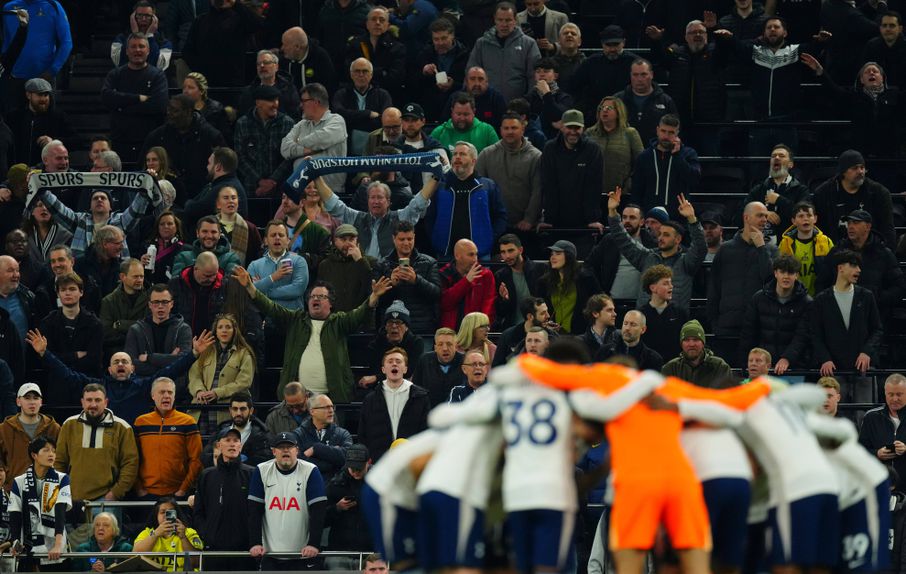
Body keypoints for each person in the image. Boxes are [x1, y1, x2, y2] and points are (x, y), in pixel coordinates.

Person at [233, 266, 392, 403]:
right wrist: (250, 287)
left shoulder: (339, 322)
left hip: (332, 399)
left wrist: (374, 296)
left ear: (330, 303)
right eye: (312, 296)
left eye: (321, 297)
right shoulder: (295, 319)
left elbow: (360, 313)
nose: (315, 299)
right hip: (298, 399)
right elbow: (271, 307)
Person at [606, 187, 705, 311]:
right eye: (661, 234)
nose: (660, 238)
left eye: (666, 235)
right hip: (644, 321)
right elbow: (623, 239)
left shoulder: (686, 262)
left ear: (678, 239)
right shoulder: (647, 257)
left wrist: (692, 218)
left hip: (674, 321)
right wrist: (612, 211)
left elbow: (701, 246)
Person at [316, 167, 439, 260]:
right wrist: (316, 177)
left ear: (388, 201)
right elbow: (334, 204)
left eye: (380, 197)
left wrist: (436, 177)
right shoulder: (356, 217)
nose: (375, 201)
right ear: (368, 200)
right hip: (360, 272)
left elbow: (418, 204)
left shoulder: (399, 218)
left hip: (389, 275)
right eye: (372, 198)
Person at [248, 431, 328, 570]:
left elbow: (318, 511)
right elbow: (254, 511)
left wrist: (314, 544)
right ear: (273, 451)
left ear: (297, 450)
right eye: (281, 447)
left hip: (302, 554)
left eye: (289, 447)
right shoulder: (262, 470)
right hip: (270, 554)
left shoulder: (310, 471)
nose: (285, 450)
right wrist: (255, 543)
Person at [36, 171, 163, 259]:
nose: (99, 200)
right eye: (95, 198)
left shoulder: (120, 221)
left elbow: (136, 209)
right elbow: (58, 209)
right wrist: (40, 187)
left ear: (111, 206)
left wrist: (147, 182)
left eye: (103, 198)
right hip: (84, 274)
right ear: (90, 206)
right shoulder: (80, 220)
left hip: (116, 273)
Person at [54, 383, 138, 515]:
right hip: (73, 500)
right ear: (82, 402)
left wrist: (115, 494)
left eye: (98, 400)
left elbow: (130, 464)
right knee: (71, 536)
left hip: (107, 501)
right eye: (89, 400)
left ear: (106, 402)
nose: (93, 404)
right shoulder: (69, 424)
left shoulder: (122, 427)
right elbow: (59, 462)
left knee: (108, 536)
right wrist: (63, 492)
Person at [811, 249, 883, 403]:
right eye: (853, 265)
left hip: (864, 369)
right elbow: (815, 334)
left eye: (859, 266)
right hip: (834, 369)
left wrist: (866, 352)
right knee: (836, 416)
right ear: (840, 268)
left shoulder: (866, 296)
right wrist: (825, 358)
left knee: (864, 415)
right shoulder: (821, 300)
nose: (858, 270)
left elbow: (877, 329)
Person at [708, 201, 778, 343]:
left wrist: (761, 248)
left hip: (759, 327)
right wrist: (714, 324)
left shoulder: (771, 250)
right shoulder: (725, 249)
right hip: (727, 326)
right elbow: (714, 289)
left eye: (766, 216)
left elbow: (771, 280)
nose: (764, 220)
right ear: (746, 218)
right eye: (760, 216)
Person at [426, 141, 507, 259]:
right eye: (455, 154)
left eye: (462, 154)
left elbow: (501, 216)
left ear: (474, 160)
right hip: (446, 253)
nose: (457, 157)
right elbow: (430, 217)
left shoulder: (488, 186)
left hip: (480, 254)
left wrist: (489, 238)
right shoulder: (440, 187)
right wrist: (436, 239)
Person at [817, 209, 906, 315]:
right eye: (849, 223)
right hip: (840, 313)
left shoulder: (884, 253)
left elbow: (899, 287)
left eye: (856, 223)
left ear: (868, 227)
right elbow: (821, 282)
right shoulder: (837, 251)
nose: (850, 227)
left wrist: (876, 298)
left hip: (874, 315)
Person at [141, 94, 226, 202]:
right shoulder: (157, 137)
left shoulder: (210, 136)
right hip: (166, 199)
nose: (169, 114)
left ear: (189, 112)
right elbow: (142, 167)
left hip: (201, 196)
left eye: (175, 111)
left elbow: (223, 168)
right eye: (169, 110)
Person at [192, 426, 254, 570]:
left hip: (244, 549)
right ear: (219, 445)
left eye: (236, 440)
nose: (232, 444)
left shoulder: (252, 474)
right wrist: (206, 533)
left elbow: (257, 511)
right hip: (213, 548)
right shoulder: (206, 476)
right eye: (228, 440)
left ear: (241, 446)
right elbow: (199, 511)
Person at [739, 255, 812, 375]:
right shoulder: (759, 299)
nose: (786, 276)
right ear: (775, 273)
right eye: (782, 272)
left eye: (790, 272)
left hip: (794, 368)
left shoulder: (806, 303)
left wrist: (787, 358)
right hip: (763, 368)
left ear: (796, 275)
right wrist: (745, 364)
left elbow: (802, 336)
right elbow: (748, 333)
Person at [101, 33, 168, 163]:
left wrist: (121, 106)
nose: (137, 50)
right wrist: (138, 98)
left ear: (148, 51)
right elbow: (106, 98)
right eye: (133, 47)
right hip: (120, 141)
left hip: (149, 142)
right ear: (126, 51)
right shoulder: (115, 74)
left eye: (141, 46)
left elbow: (159, 106)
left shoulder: (158, 76)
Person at [8, 436, 71, 571]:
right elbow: (15, 514)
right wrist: (15, 542)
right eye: (46, 450)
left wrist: (58, 545)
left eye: (53, 451)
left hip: (53, 544)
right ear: (34, 455)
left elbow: (60, 512)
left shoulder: (62, 479)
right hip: (27, 544)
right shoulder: (19, 481)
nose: (51, 454)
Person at [134, 376, 203, 499]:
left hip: (177, 493)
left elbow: (196, 459)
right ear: (153, 395)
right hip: (147, 493)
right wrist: (139, 488)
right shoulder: (141, 422)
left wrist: (183, 489)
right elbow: (133, 458)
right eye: (162, 392)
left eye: (170, 392)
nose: (166, 396)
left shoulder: (188, 422)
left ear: (174, 396)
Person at [188, 313, 255, 435]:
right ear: (216, 331)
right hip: (202, 409)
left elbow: (244, 382)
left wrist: (217, 393)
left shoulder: (244, 353)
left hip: (227, 412)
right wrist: (199, 391)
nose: (224, 330)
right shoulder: (205, 351)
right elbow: (194, 375)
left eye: (228, 327)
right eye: (220, 327)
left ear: (234, 330)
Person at [357, 348, 430, 461]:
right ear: (383, 369)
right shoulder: (370, 400)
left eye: (398, 361)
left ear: (405, 369)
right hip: (379, 461)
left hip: (411, 460)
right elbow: (363, 433)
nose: (394, 364)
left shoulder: (420, 397)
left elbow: (425, 431)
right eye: (390, 361)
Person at [475, 113, 543, 233]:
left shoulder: (536, 157)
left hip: (525, 227)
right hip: (493, 224)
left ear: (522, 129)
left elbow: (538, 191)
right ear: (500, 130)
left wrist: (529, 219)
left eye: (514, 128)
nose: (510, 132)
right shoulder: (486, 154)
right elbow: (477, 188)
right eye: (506, 128)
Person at [540, 109, 604, 233]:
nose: (573, 132)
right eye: (569, 127)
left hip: (585, 221)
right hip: (556, 221)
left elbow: (594, 186)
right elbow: (549, 186)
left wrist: (592, 219)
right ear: (562, 127)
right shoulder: (550, 149)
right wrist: (549, 219)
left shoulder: (592, 149)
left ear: (583, 128)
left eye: (577, 128)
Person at [39, 272, 104, 394]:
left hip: (87, 386)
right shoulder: (47, 323)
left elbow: (94, 360)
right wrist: (75, 355)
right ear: (58, 294)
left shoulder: (95, 324)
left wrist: (60, 359)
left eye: (72, 289)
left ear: (81, 292)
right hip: (57, 387)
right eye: (63, 290)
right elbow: (45, 360)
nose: (67, 293)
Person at [372, 221, 440, 333]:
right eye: (402, 239)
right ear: (394, 239)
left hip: (422, 327)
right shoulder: (381, 265)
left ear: (414, 237)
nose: (406, 243)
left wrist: (416, 280)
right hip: (392, 327)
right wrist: (391, 284)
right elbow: (376, 300)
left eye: (409, 239)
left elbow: (437, 294)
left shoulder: (429, 262)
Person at [280, 83, 348, 193]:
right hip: (301, 190)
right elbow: (284, 148)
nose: (301, 105)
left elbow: (319, 139)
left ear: (316, 102)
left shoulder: (336, 121)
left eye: (303, 101)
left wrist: (297, 143)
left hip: (330, 192)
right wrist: (305, 150)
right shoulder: (302, 124)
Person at [467, 2, 541, 101]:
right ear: (494, 20)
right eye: (500, 20)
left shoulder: (529, 44)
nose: (504, 24)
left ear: (515, 20)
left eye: (508, 20)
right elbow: (471, 73)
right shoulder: (481, 43)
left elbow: (534, 76)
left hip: (518, 105)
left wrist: (529, 100)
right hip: (487, 103)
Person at [632, 113, 701, 218]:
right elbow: (637, 189)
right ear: (657, 130)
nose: (666, 136)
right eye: (663, 131)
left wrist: (677, 156)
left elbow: (694, 179)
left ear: (677, 133)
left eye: (671, 132)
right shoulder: (644, 156)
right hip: (649, 215)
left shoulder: (688, 154)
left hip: (678, 216)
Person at [235, 85, 296, 201]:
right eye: (270, 100)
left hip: (281, 190)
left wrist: (273, 181)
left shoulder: (288, 123)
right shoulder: (242, 124)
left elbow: (290, 157)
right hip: (252, 189)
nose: (275, 104)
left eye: (276, 100)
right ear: (258, 103)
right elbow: (240, 157)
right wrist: (260, 181)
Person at [584, 203, 656, 302]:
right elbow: (588, 266)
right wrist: (599, 293)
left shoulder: (651, 242)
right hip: (611, 302)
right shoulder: (609, 240)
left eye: (632, 218)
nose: (627, 221)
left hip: (641, 303)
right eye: (624, 217)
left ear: (642, 222)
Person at [182, 0, 262, 87]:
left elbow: (257, 25)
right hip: (207, 82)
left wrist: (234, 4)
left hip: (233, 82)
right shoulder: (200, 20)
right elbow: (187, 51)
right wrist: (201, 69)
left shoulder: (239, 19)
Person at [742, 144, 810, 243]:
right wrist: (763, 214)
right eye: (773, 156)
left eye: (781, 156)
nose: (776, 158)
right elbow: (741, 215)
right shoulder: (758, 189)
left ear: (790, 164)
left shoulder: (801, 190)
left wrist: (779, 200)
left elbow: (804, 217)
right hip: (760, 247)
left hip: (791, 246)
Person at [124, 283, 192, 377]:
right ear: (150, 305)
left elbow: (184, 361)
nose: (160, 306)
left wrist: (150, 358)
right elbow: (130, 363)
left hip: (174, 384)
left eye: (164, 302)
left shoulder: (183, 329)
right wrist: (170, 360)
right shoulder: (136, 329)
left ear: (171, 304)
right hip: (143, 383)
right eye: (156, 302)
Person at [0, 383, 59, 488]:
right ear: (18, 402)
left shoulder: (54, 428)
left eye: (36, 398)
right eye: (27, 398)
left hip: (47, 490)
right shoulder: (4, 429)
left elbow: (61, 458)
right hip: (13, 490)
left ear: (41, 402)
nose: (32, 402)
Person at [536, 240, 600, 335]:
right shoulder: (544, 282)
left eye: (558, 253)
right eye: (552, 254)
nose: (552, 257)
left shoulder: (586, 278)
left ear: (569, 256)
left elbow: (599, 302)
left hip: (580, 335)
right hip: (554, 335)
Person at [586, 96, 644, 201]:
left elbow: (641, 164)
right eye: (601, 108)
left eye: (609, 108)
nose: (604, 110)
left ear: (618, 112)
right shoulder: (590, 133)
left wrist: (629, 185)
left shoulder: (630, 133)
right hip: (593, 193)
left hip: (622, 194)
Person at [324, 444, 372, 569]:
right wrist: (337, 508)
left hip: (370, 552)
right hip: (340, 550)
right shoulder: (336, 484)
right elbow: (320, 520)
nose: (355, 472)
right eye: (352, 468)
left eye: (359, 469)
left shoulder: (379, 484)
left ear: (369, 462)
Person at [412, 18, 470, 122]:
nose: (440, 43)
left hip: (456, 110)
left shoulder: (465, 54)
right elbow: (411, 81)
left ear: (452, 35)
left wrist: (453, 85)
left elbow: (469, 83)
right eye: (436, 39)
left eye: (444, 38)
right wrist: (423, 72)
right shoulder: (425, 54)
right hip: (430, 111)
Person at [332, 58, 392, 157]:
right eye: (357, 71)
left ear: (371, 75)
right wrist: (367, 114)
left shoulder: (383, 95)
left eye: (365, 71)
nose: (361, 75)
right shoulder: (341, 94)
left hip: (377, 150)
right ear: (351, 74)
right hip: (347, 150)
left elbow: (385, 120)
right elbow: (339, 116)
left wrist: (352, 119)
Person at [8, 79, 75, 167]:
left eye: (46, 95)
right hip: (20, 170)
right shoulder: (15, 117)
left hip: (46, 172)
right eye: (39, 95)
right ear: (28, 95)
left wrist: (54, 141)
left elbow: (76, 141)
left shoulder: (58, 117)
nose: (43, 99)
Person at [359, 301, 426, 388]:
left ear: (406, 327)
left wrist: (377, 377)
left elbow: (410, 372)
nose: (394, 326)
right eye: (390, 322)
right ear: (385, 326)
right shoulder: (375, 345)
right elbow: (375, 370)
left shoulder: (416, 343)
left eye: (398, 322)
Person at [345, 7, 406, 101]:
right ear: (367, 24)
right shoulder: (355, 45)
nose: (377, 23)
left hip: (388, 95)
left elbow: (394, 77)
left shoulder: (397, 48)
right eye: (373, 19)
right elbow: (349, 71)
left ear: (387, 25)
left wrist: (365, 74)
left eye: (382, 20)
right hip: (358, 94)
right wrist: (381, 72)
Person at [181, 147, 249, 232]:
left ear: (218, 167)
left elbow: (192, 210)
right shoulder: (221, 184)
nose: (207, 167)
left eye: (209, 163)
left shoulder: (225, 188)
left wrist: (188, 204)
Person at [246, 220, 308, 310]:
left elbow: (297, 289)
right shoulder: (254, 266)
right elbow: (250, 291)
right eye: (273, 235)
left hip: (293, 319)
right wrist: (274, 277)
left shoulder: (299, 261)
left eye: (281, 235)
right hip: (265, 319)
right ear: (266, 241)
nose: (277, 238)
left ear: (288, 240)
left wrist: (263, 292)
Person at [613, 58, 678, 142]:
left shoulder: (666, 101)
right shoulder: (618, 100)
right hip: (624, 149)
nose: (639, 79)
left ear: (651, 74)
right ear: (630, 76)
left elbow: (675, 128)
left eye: (643, 74)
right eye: (635, 75)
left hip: (655, 150)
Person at [199, 393, 271, 468]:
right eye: (235, 409)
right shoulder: (221, 430)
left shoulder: (261, 434)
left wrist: (235, 461)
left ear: (251, 411)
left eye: (242, 409)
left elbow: (264, 462)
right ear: (230, 410)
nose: (238, 413)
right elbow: (205, 456)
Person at [133, 496, 203, 571]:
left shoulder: (189, 532)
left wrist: (183, 537)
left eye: (170, 512)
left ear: (177, 515)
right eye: (162, 512)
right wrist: (155, 534)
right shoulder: (147, 533)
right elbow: (135, 557)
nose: (166, 516)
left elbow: (196, 562)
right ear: (156, 516)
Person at [778, 201, 833, 296]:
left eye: (809, 215)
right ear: (793, 221)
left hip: (820, 295)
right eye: (801, 216)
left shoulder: (826, 242)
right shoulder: (785, 244)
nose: (806, 219)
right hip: (793, 296)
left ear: (815, 219)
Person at [439, 239, 496, 329]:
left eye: (476, 254)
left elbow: (489, 304)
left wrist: (482, 326)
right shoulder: (444, 274)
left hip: (476, 331)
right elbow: (445, 303)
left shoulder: (485, 275)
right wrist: (466, 281)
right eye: (471, 255)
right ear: (457, 256)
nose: (475, 259)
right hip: (451, 333)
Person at [295, 393, 353, 482]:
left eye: (332, 407)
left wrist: (317, 449)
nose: (331, 411)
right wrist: (332, 458)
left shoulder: (343, 434)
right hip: (307, 485)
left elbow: (347, 458)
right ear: (312, 411)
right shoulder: (298, 435)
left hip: (335, 486)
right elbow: (297, 463)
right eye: (326, 407)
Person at [859, 373, 906, 480]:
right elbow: (861, 450)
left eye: (899, 394)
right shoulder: (871, 417)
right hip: (880, 480)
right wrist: (877, 453)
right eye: (891, 394)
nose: (894, 399)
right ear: (885, 394)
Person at [661, 319, 732, 388]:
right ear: (681, 344)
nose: (691, 344)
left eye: (696, 339)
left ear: (703, 343)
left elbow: (726, 396)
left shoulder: (720, 367)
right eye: (686, 340)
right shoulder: (671, 368)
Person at [493, 234, 543, 329]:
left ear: (520, 250)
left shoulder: (540, 270)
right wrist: (504, 300)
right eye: (503, 252)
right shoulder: (500, 276)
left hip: (539, 327)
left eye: (510, 251)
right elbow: (500, 312)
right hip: (514, 329)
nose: (507, 256)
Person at [100, 258, 149, 355]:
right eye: (135, 277)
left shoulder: (150, 299)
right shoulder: (108, 301)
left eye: (141, 276)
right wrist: (135, 333)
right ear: (123, 277)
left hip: (143, 354)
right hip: (115, 354)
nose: (139, 280)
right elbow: (106, 335)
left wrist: (120, 325)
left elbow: (149, 328)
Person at [237, 50, 300, 122]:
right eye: (258, 64)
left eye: (266, 63)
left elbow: (295, 116)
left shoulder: (288, 89)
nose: (262, 66)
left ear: (276, 66)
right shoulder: (248, 92)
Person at [429, 92, 500, 154]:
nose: (462, 118)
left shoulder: (487, 131)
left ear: (474, 112)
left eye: (466, 114)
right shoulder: (438, 133)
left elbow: (497, 158)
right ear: (452, 111)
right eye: (458, 114)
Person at [412, 328, 466, 407]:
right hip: (429, 411)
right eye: (440, 344)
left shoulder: (465, 361)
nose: (445, 349)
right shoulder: (424, 360)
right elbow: (416, 389)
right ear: (435, 347)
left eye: (449, 344)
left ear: (456, 346)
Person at [171, 216, 242, 276]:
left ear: (219, 234)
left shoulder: (231, 258)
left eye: (213, 232)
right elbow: (176, 285)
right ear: (197, 233)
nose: (209, 236)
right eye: (205, 231)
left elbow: (231, 285)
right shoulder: (183, 257)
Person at [110, 1, 172, 70]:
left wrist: (150, 36)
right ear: (133, 17)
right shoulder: (120, 40)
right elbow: (121, 64)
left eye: (148, 16)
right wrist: (135, 35)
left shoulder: (164, 43)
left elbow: (157, 68)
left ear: (154, 19)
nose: (143, 19)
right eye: (139, 15)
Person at [278, 27, 337, 95]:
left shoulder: (320, 58)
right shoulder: (283, 60)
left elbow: (330, 88)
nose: (282, 48)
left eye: (285, 45)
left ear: (297, 47)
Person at [494, 297, 551, 367]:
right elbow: (497, 367)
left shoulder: (552, 336)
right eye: (543, 313)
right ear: (530, 316)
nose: (548, 316)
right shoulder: (508, 336)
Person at [598, 310, 664, 370]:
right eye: (625, 323)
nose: (627, 328)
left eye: (633, 325)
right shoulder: (604, 352)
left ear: (643, 329)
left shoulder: (653, 359)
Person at [862, 11, 906, 88]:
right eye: (884, 26)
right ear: (880, 28)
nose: (887, 29)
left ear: (900, 29)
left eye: (892, 26)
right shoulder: (871, 46)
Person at [578, 293, 619, 358]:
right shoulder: (580, 342)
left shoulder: (620, 337)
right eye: (609, 310)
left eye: (613, 310)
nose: (615, 314)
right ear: (595, 313)